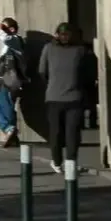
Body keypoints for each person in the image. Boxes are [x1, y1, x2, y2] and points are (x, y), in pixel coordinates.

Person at [39, 22, 94, 174]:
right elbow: (89, 75)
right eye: (62, 34)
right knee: (70, 133)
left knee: (62, 133)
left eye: (65, 34)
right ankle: (65, 162)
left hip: (60, 97)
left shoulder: (50, 49)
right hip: (69, 97)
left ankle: (61, 162)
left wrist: (53, 84)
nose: (63, 37)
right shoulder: (81, 50)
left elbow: (42, 72)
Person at [0, 17, 26, 146]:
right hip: (5, 81)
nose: (1, 30)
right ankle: (12, 137)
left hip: (10, 82)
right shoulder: (10, 45)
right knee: (7, 108)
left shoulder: (15, 41)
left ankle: (9, 129)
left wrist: (3, 29)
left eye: (4, 28)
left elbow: (5, 38)